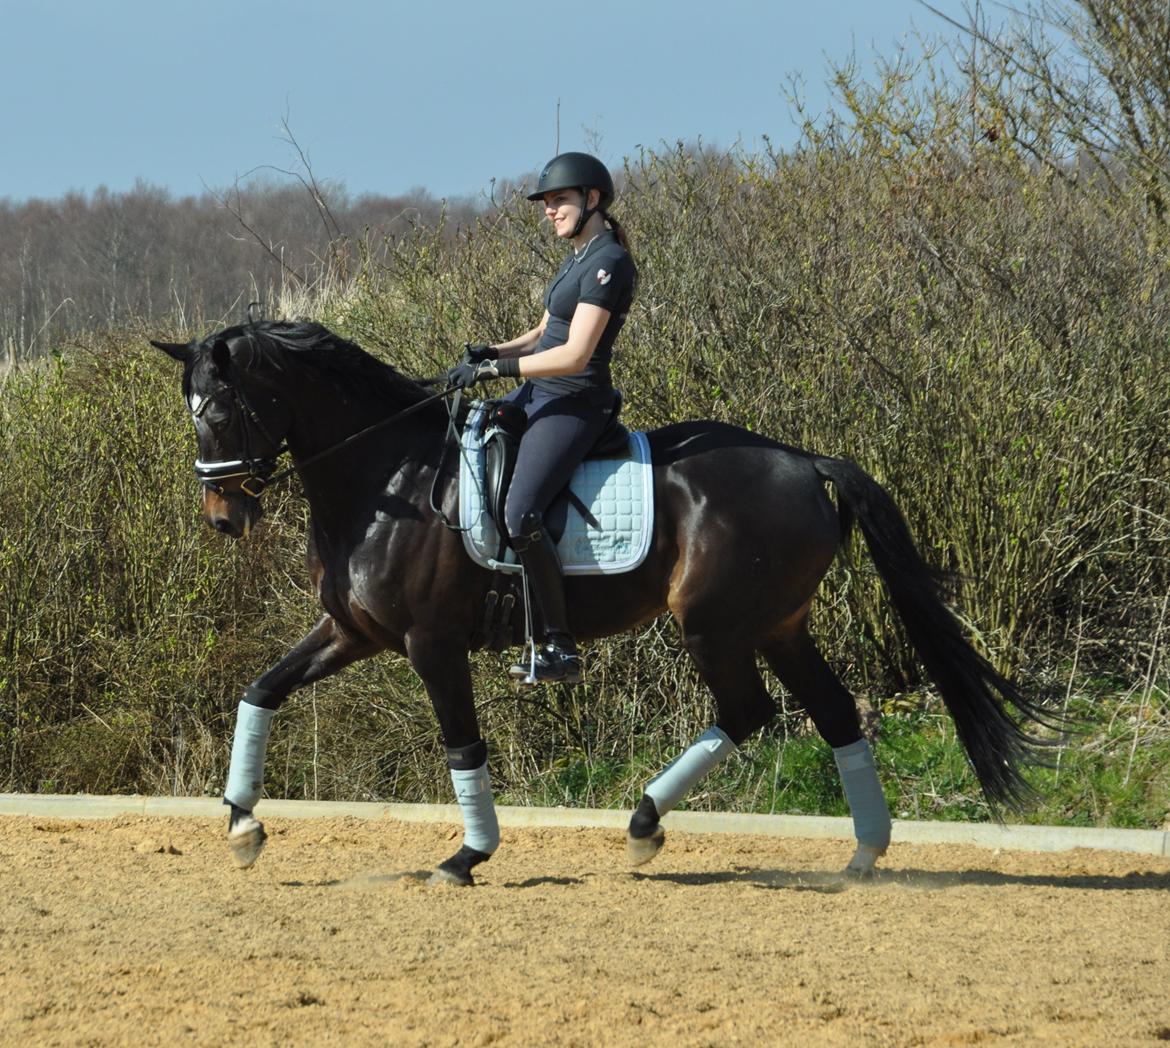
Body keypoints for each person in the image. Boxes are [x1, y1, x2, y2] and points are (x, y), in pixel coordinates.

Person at [446, 151, 638, 684]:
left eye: (559, 201)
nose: (549, 211)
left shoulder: (609, 262)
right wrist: (488, 352)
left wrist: (499, 369)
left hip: (575, 400)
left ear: (591, 200)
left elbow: (575, 353)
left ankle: (559, 645)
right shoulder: (577, 257)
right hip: (539, 391)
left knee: (521, 510)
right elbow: (542, 332)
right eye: (547, 203)